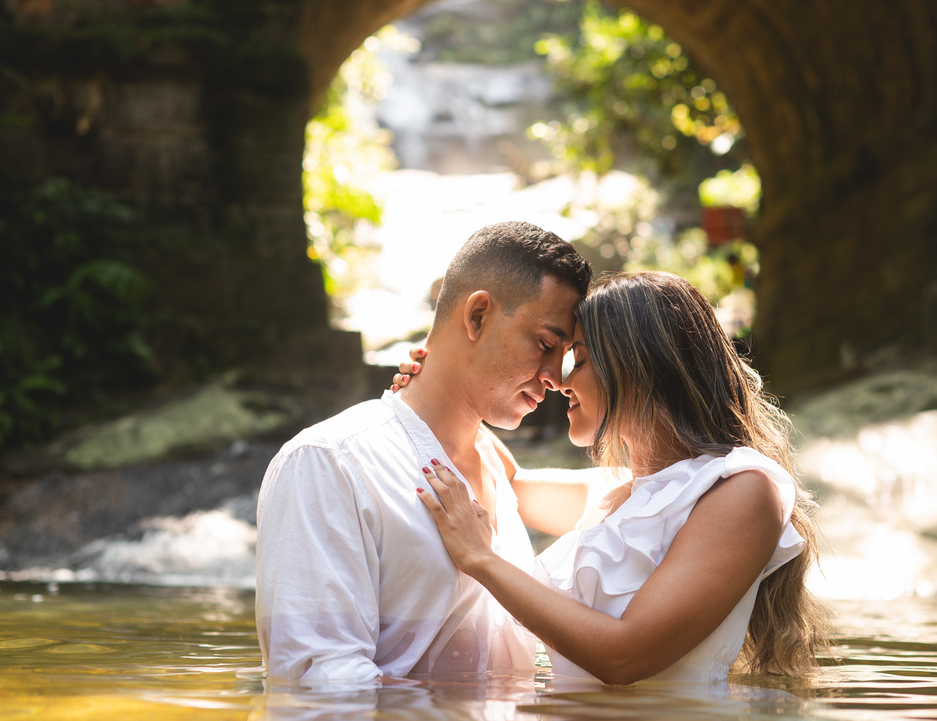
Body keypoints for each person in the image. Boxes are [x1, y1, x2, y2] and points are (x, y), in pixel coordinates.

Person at [408, 270, 828, 684]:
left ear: (637, 366)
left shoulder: (740, 489)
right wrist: (435, 382)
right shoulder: (615, 491)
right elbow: (510, 482)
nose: (562, 383)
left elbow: (624, 657)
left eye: (580, 360)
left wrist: (481, 560)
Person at [254, 220, 592, 685]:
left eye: (565, 355)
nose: (556, 377)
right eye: (545, 344)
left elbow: (647, 488)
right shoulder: (330, 462)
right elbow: (322, 686)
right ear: (478, 316)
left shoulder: (498, 472)